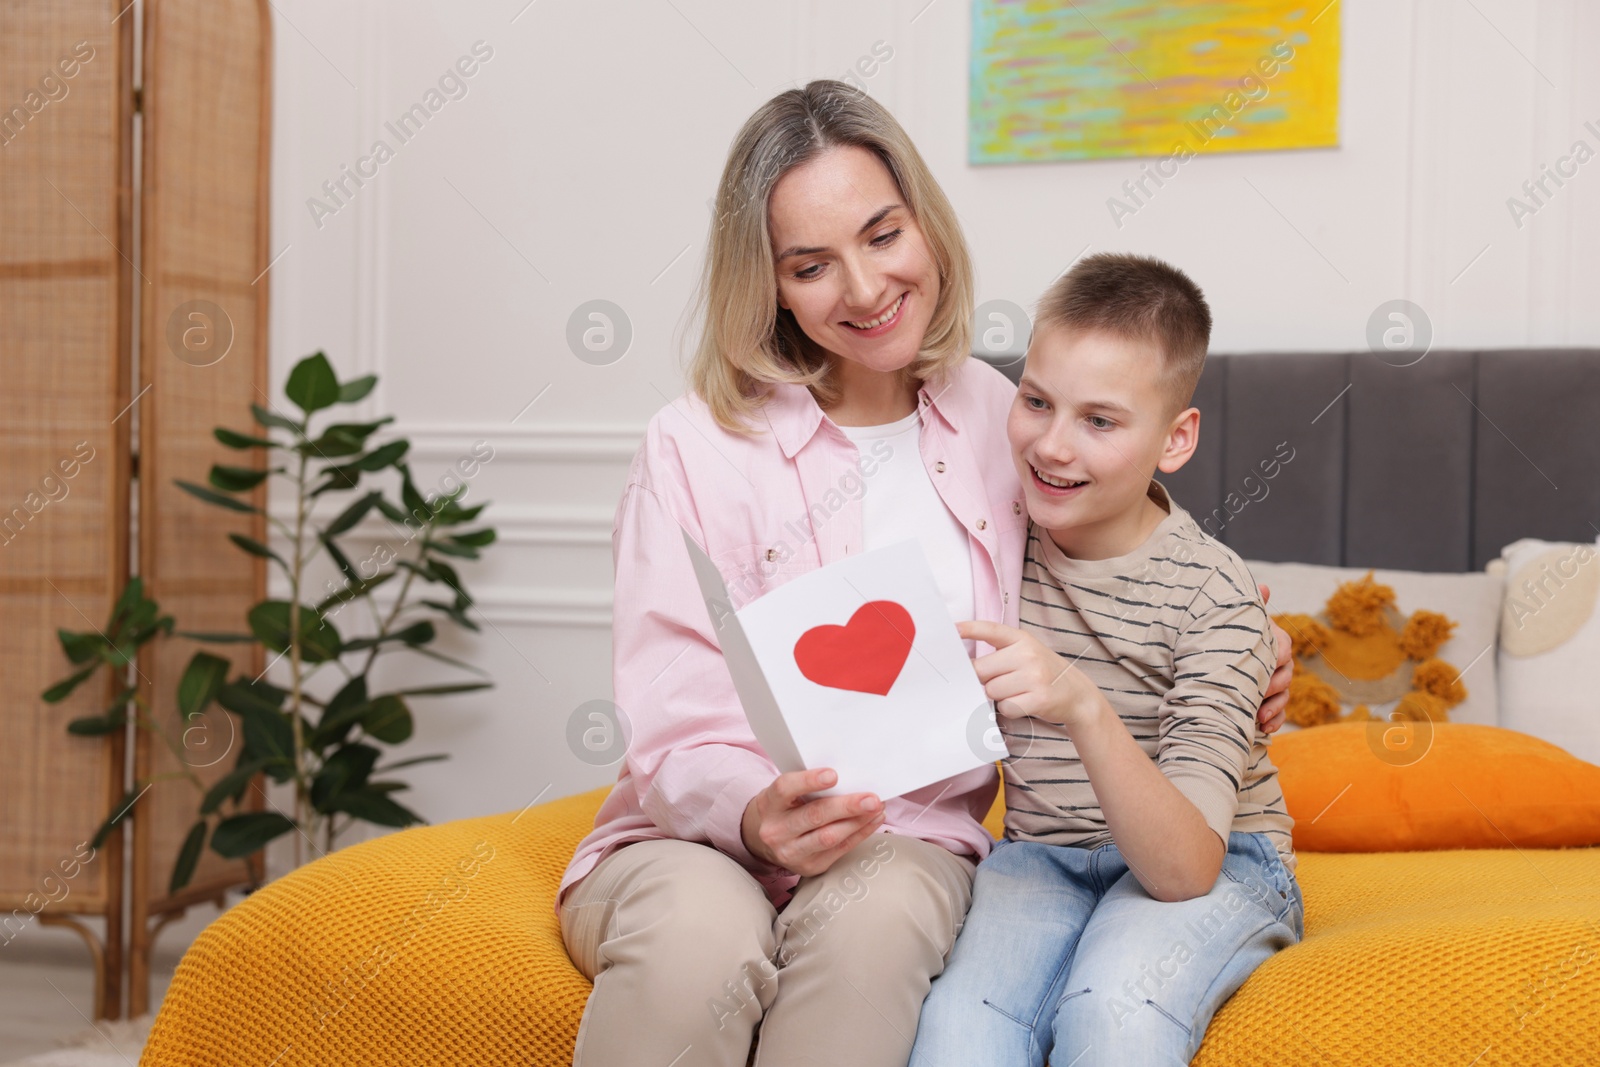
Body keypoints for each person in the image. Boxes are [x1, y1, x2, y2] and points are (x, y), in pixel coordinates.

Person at [555, 82, 1294, 1067]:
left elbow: (1117, 527)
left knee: (875, 928)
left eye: (882, 234)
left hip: (905, 841)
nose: (862, 288)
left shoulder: (1005, 415)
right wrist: (750, 810)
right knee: (697, 945)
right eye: (810, 265)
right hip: (691, 836)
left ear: (925, 225)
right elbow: (668, 695)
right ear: (767, 282)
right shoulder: (694, 444)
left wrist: (1246, 631)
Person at [908, 252, 1303, 1067]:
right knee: (956, 1032)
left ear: (1175, 438)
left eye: (1101, 420)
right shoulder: (991, 534)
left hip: (1215, 858)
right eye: (1036, 400)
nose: (1052, 446)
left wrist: (1081, 703)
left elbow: (1186, 870)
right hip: (1039, 857)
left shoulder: (1215, 598)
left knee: (1114, 1007)